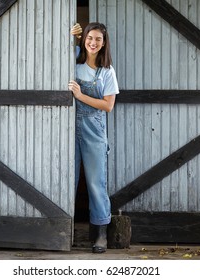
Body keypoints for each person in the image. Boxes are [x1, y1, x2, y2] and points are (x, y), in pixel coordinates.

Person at [68, 22, 119, 253]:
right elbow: (59, 49)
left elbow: (108, 106)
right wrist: (70, 34)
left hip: (94, 130)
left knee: (95, 183)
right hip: (67, 128)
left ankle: (100, 233)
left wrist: (79, 95)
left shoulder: (107, 71)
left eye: (98, 39)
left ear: (104, 43)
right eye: (90, 37)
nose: (93, 42)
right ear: (84, 39)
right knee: (67, 180)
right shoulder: (73, 60)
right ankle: (62, 230)